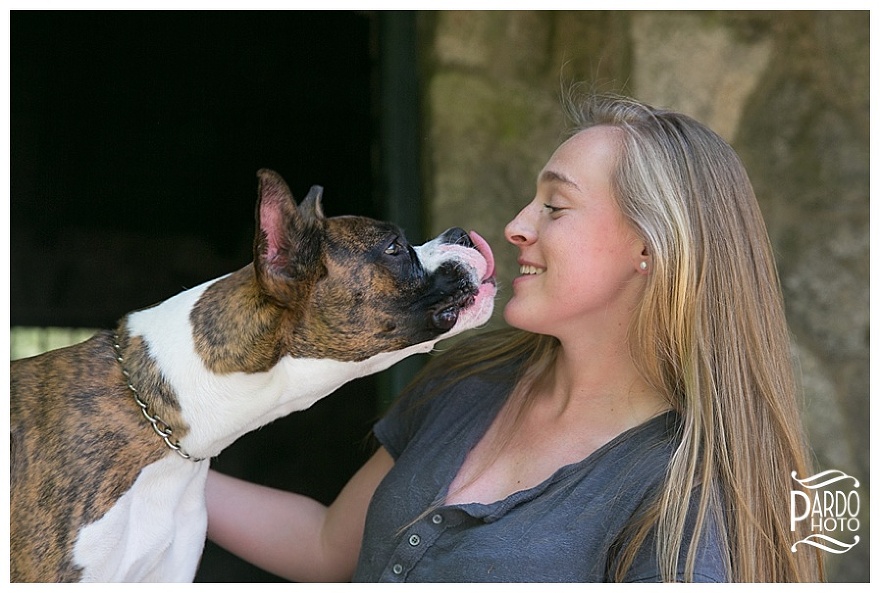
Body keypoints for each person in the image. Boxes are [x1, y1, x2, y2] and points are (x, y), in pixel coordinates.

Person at [205, 93, 823, 582]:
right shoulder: (468, 379)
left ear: (649, 248)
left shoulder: (684, 497)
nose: (517, 225)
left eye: (555, 206)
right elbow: (323, 548)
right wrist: (152, 455)